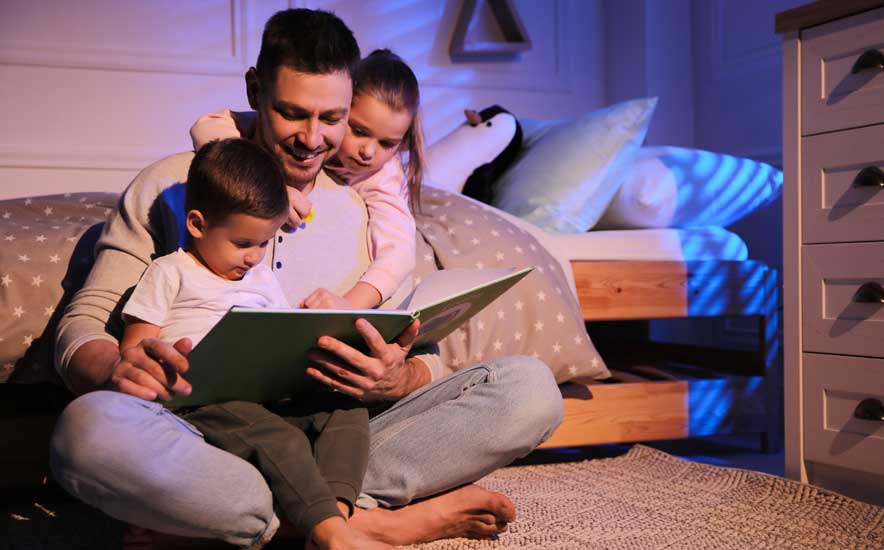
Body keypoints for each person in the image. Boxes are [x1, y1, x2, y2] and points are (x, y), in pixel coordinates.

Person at [48, 8, 563, 549]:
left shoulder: (365, 206)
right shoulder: (175, 185)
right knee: (86, 433)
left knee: (529, 389)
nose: (313, 140)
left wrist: (397, 377)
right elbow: (81, 324)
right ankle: (356, 524)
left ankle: (275, 521)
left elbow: (417, 345)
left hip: (326, 434)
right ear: (254, 89)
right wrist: (116, 369)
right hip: (199, 431)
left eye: (334, 118)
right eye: (292, 113)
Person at [117, 138, 385, 550]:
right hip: (198, 401)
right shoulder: (170, 271)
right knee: (283, 439)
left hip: (262, 397)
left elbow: (276, 337)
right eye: (243, 243)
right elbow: (135, 351)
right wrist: (157, 370)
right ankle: (333, 535)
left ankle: (335, 519)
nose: (254, 257)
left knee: (345, 410)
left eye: (265, 243)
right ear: (197, 224)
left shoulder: (260, 280)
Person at [191, 48, 423, 311]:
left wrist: (349, 306)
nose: (368, 152)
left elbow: (399, 254)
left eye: (387, 143)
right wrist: (262, 180)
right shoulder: (293, 131)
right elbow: (207, 125)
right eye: (358, 131)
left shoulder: (382, 175)